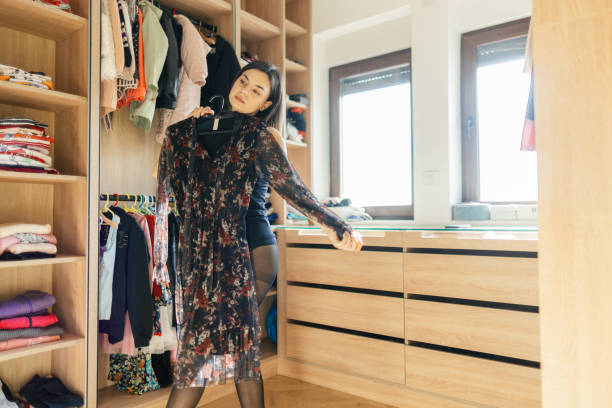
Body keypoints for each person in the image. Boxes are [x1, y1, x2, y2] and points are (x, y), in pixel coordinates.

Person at [155, 61, 362, 408]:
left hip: (252, 251)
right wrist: (191, 128)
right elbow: (162, 176)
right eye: (243, 81)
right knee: (233, 347)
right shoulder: (199, 128)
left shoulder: (266, 136)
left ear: (266, 104)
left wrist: (333, 225)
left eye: (256, 91)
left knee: (209, 346)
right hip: (211, 259)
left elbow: (293, 189)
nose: (244, 91)